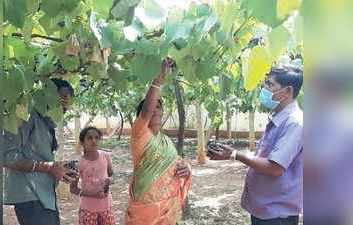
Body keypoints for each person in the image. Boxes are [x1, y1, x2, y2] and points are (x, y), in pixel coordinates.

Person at [208, 66, 303, 225]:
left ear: (288, 91)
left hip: (277, 215)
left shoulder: (294, 123)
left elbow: (275, 167)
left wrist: (234, 154)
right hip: (265, 209)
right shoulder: (278, 118)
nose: (264, 88)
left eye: (270, 85)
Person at [125, 58, 192, 225]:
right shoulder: (139, 134)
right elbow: (147, 110)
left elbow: (176, 164)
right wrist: (160, 78)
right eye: (152, 106)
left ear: (163, 112)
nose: (155, 109)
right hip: (145, 207)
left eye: (159, 106)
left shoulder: (166, 141)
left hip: (167, 208)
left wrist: (187, 168)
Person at [3, 78, 77, 225]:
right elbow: (7, 156)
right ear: (46, 95)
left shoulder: (45, 121)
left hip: (44, 196)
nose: (65, 106)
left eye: (67, 102)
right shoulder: (25, 115)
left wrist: (58, 168)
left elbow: (38, 157)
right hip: (30, 197)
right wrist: (49, 167)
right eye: (62, 99)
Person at [70, 126, 116, 225]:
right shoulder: (79, 163)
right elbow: (73, 189)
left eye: (96, 137)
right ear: (82, 142)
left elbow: (112, 175)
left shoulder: (105, 156)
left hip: (106, 207)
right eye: (89, 138)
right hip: (88, 209)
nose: (94, 140)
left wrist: (110, 180)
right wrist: (92, 194)